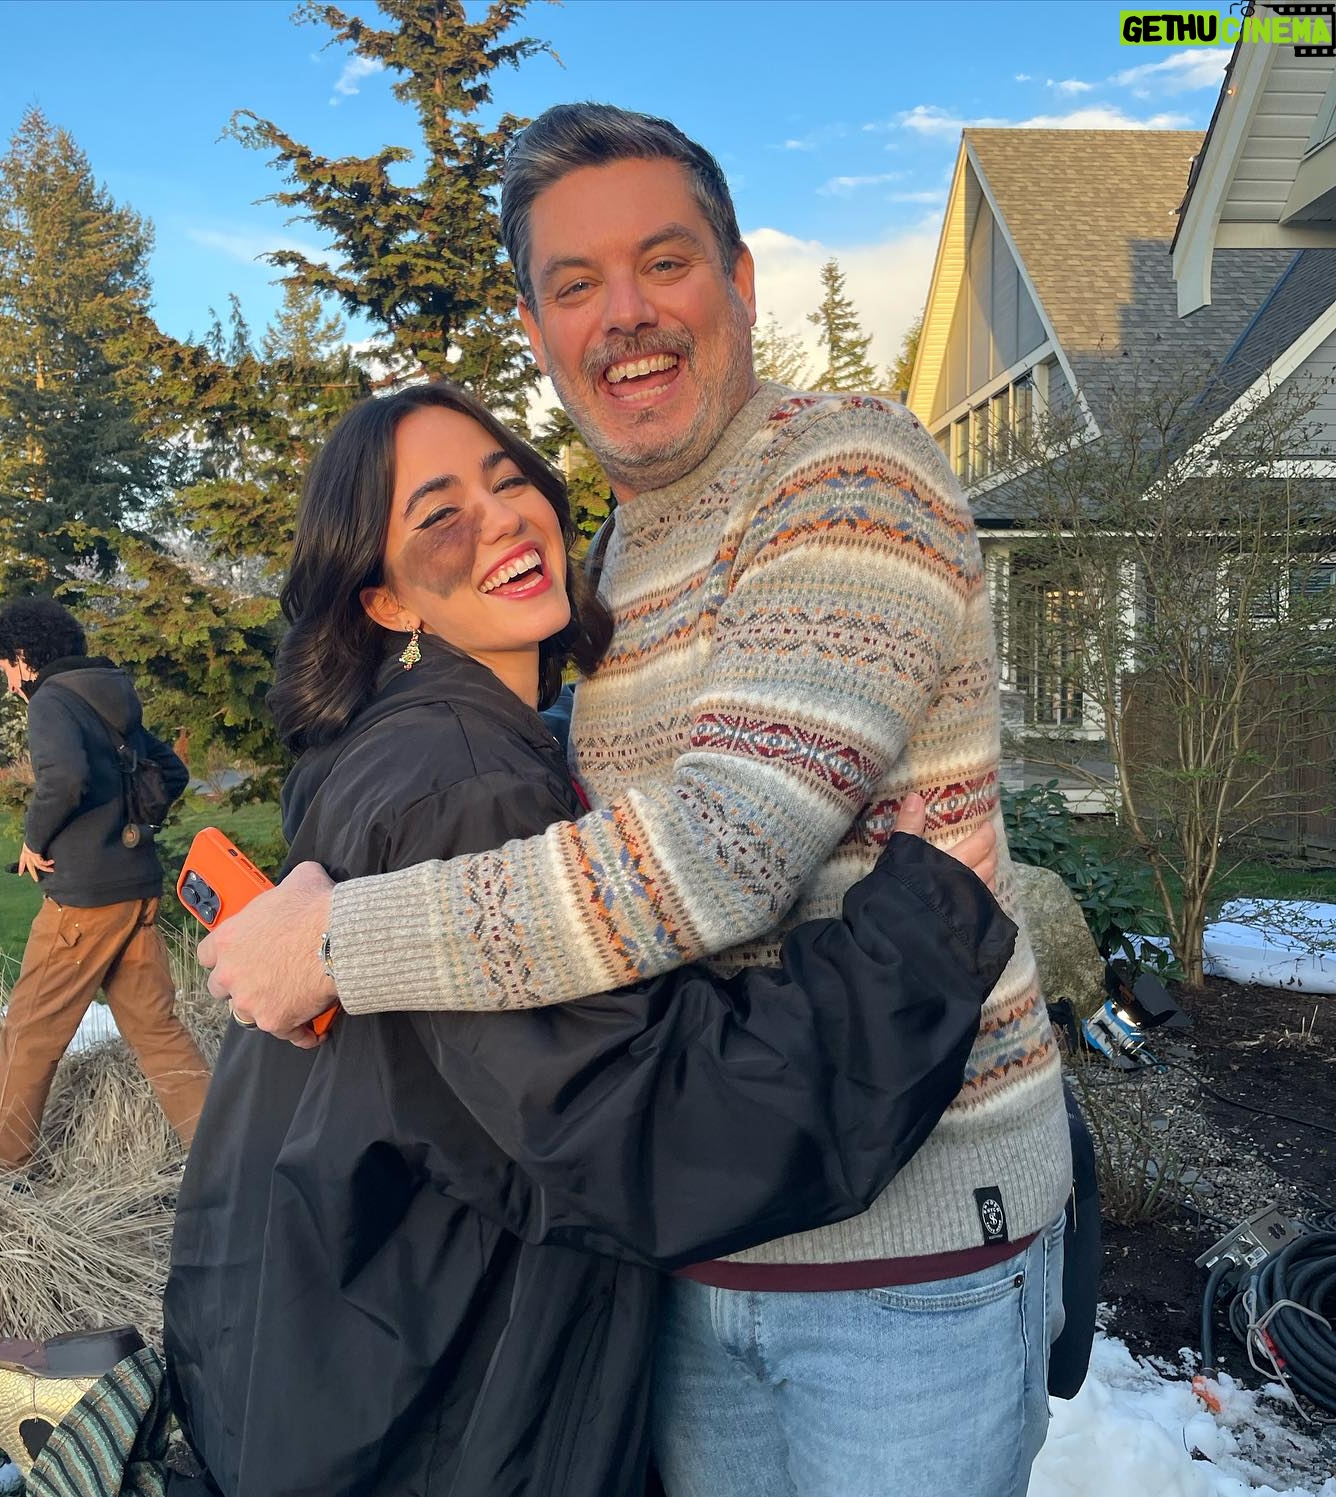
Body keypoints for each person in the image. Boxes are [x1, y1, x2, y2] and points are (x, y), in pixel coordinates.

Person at [0, 385, 1016, 1496]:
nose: (501, 520)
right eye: (439, 515)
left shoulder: (409, 747)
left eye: (508, 479)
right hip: (446, 1382)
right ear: (387, 601)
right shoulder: (467, 786)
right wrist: (914, 949)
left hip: (337, 1325)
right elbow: (641, 1131)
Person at [199, 104, 1074, 1497]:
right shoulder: (609, 555)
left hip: (903, 1259)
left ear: (739, 279)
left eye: (664, 262)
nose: (626, 315)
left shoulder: (840, 468)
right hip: (693, 1245)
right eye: (575, 284)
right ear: (537, 330)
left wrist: (341, 938)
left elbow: (718, 853)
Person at [0, 598, 210, 1173]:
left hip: (84, 901)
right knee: (156, 1028)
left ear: (23, 656)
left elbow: (66, 778)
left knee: (29, 1032)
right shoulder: (111, 693)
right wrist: (129, 823)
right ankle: (220, 1155)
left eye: (6, 669)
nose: (9, 685)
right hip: (138, 886)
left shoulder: (51, 700)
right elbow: (171, 771)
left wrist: (34, 840)